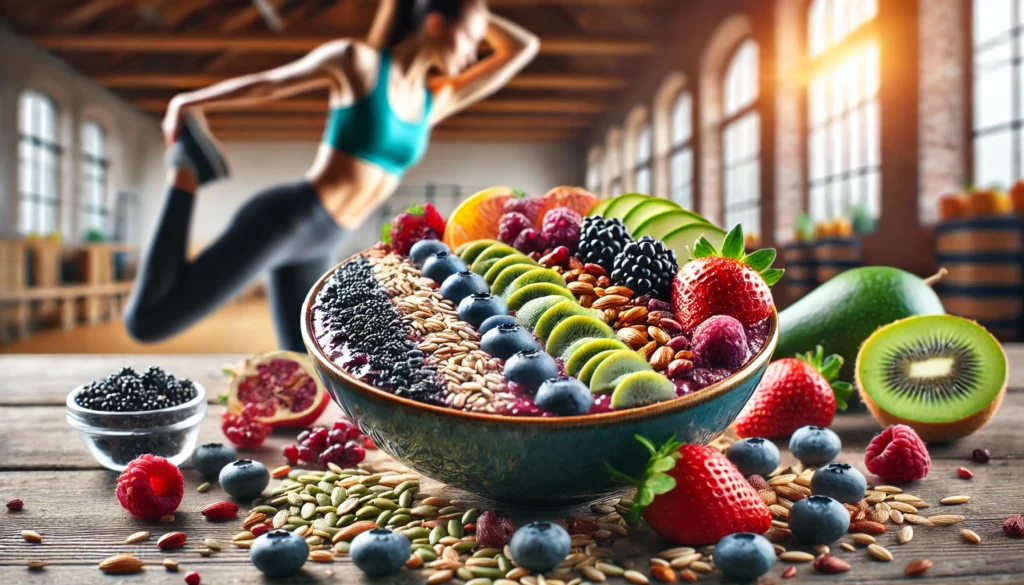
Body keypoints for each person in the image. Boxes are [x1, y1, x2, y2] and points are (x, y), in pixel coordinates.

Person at [124, 0, 539, 351]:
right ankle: (186, 170)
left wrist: (475, 16)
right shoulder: (358, 62)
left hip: (323, 242)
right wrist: (187, 101)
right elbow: (270, 84)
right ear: (435, 24)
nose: (474, 51)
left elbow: (525, 47)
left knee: (308, 363)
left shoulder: (436, 99)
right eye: (470, 37)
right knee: (148, 322)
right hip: (290, 219)